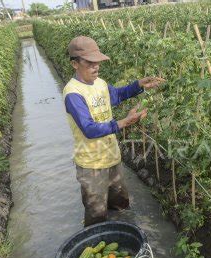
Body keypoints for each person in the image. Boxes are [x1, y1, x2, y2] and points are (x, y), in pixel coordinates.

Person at [63, 35, 164, 226]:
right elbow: (89, 129)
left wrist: (139, 85)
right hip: (91, 165)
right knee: (96, 214)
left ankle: (122, 236)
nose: (96, 67)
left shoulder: (100, 83)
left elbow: (116, 95)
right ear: (75, 64)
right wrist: (122, 123)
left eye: (98, 62)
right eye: (90, 63)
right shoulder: (73, 93)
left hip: (111, 157)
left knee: (121, 206)